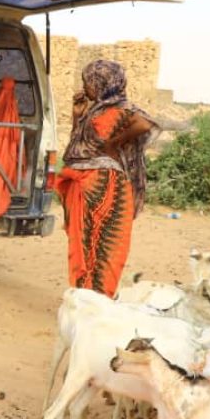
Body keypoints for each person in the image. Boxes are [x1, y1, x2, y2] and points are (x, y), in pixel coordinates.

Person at [56, 59, 159, 297]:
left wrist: (114, 143)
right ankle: (86, 298)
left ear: (102, 83)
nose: (85, 87)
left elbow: (145, 123)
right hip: (85, 183)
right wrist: (77, 116)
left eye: (88, 82)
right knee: (84, 244)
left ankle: (96, 299)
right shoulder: (97, 109)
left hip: (104, 184)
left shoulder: (118, 108)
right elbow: (78, 145)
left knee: (103, 246)